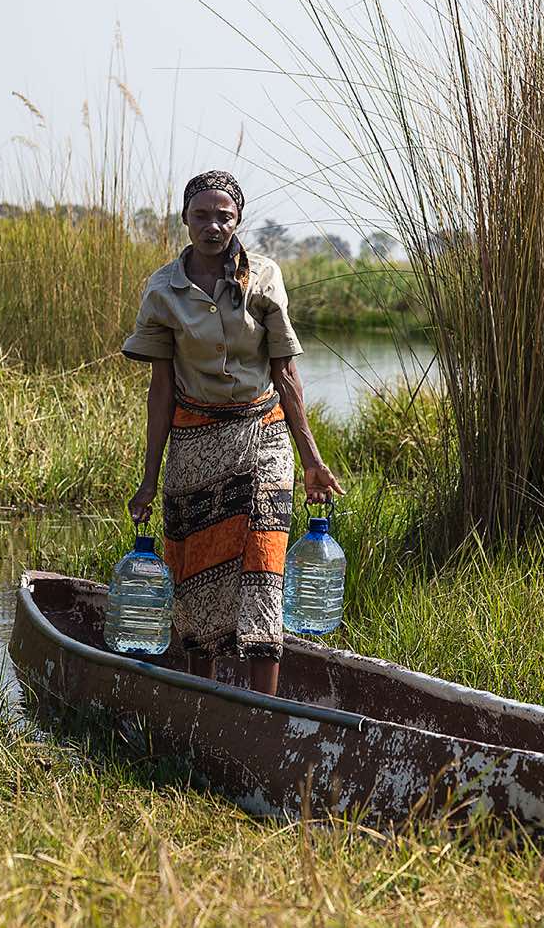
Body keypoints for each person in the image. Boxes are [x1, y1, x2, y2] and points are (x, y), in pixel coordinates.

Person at [122, 170, 344, 695]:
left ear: (238, 219)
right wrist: (148, 479)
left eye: (224, 215)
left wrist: (311, 459)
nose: (213, 225)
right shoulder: (162, 290)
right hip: (195, 441)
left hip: (263, 434)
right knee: (198, 575)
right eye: (202, 214)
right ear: (184, 219)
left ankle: (261, 709)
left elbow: (285, 372)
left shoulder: (264, 278)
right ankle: (209, 699)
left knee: (263, 569)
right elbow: (161, 393)